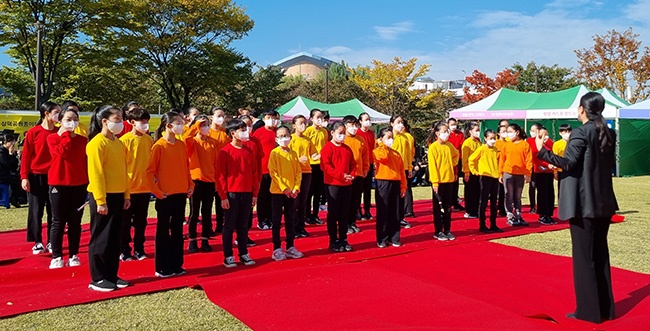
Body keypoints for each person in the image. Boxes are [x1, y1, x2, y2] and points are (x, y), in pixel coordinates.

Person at [536, 92, 617, 324]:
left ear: (582, 109)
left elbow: (568, 162)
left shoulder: (582, 132)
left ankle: (588, 312)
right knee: (600, 254)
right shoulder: (608, 131)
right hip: (603, 200)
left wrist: (543, 150)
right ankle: (605, 309)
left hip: (583, 202)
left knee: (584, 258)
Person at [86, 105, 131, 292]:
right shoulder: (97, 143)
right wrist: (100, 200)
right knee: (100, 238)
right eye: (117, 119)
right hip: (102, 196)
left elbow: (124, 171)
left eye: (121, 118)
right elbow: (95, 173)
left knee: (114, 238)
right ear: (104, 121)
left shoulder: (118, 143)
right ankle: (97, 277)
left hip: (118, 194)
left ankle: (111, 274)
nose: (121, 122)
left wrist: (126, 195)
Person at [148, 111, 194, 277]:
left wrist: (190, 185)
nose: (181, 126)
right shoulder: (159, 146)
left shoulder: (181, 145)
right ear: (168, 125)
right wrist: (157, 192)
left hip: (181, 194)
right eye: (179, 123)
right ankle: (162, 267)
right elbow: (149, 172)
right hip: (165, 195)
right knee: (163, 232)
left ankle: (176, 264)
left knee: (177, 231)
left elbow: (186, 168)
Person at [46, 107, 88, 269]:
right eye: (68, 119)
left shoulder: (82, 140)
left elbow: (85, 162)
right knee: (58, 221)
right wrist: (65, 135)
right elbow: (61, 153)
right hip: (58, 184)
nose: (72, 122)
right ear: (60, 121)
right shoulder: (52, 138)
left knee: (75, 222)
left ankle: (73, 255)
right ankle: (56, 256)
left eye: (75, 119)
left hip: (79, 184)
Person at [218, 119, 259, 267]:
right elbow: (220, 176)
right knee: (229, 225)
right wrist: (223, 196)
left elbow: (254, 174)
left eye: (245, 129)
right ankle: (228, 255)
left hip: (247, 193)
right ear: (233, 133)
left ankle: (243, 253)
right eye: (241, 129)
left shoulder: (249, 151)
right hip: (231, 194)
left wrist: (254, 194)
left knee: (243, 225)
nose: (245, 132)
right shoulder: (225, 152)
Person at [22, 101, 60, 255]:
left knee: (54, 210)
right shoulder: (33, 132)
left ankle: (52, 241)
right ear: (47, 113)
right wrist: (24, 177)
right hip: (36, 175)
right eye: (56, 112)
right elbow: (25, 156)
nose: (59, 115)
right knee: (36, 210)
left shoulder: (59, 132)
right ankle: (37, 241)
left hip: (54, 176)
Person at [119, 107, 153, 261]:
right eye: (142, 121)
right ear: (132, 122)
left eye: (147, 121)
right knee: (125, 223)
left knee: (141, 221)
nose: (145, 124)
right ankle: (124, 250)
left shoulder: (148, 140)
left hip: (144, 188)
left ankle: (139, 249)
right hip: (129, 189)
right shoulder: (124, 140)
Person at [184, 115, 219, 254]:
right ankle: (192, 239)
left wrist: (216, 180)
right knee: (194, 212)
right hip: (196, 181)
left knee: (207, 212)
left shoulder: (213, 142)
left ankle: (205, 238)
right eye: (202, 125)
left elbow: (216, 163)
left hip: (210, 181)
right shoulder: (192, 142)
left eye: (206, 124)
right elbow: (186, 138)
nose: (205, 127)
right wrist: (195, 125)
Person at [268, 126, 304, 261]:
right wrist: (284, 188)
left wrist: (295, 188)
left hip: (292, 192)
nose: (284, 139)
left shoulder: (293, 154)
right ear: (276, 139)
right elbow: (274, 173)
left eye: (286, 135)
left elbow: (298, 172)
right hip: (278, 191)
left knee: (291, 219)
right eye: (281, 136)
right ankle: (277, 248)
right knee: (276, 220)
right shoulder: (274, 153)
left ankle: (290, 246)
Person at [320, 121, 356, 252]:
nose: (342, 136)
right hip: (333, 184)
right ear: (332, 133)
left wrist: (351, 175)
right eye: (339, 133)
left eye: (343, 133)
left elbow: (353, 164)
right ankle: (333, 240)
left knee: (344, 213)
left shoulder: (347, 149)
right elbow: (326, 166)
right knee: (333, 213)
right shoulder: (327, 148)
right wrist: (341, 175)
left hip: (347, 184)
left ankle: (343, 238)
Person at [373, 127, 407, 247]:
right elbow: (383, 157)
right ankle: (382, 238)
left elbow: (402, 171)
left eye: (391, 137)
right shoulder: (377, 151)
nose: (391, 140)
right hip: (383, 183)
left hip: (395, 183)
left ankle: (394, 237)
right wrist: (382, 145)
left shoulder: (397, 154)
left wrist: (403, 186)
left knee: (395, 211)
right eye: (388, 138)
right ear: (381, 139)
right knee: (383, 211)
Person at [427, 121, 459, 241]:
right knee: (438, 207)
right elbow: (433, 167)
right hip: (438, 182)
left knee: (447, 207)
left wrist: (452, 164)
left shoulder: (449, 146)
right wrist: (435, 182)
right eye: (443, 132)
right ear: (437, 133)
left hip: (449, 180)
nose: (446, 134)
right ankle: (438, 231)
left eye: (447, 132)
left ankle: (447, 229)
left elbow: (456, 155)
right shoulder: (433, 148)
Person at [468, 129, 503, 234]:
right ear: (485, 139)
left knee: (494, 202)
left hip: (494, 177)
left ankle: (493, 224)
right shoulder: (481, 149)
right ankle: (482, 225)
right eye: (490, 138)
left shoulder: (496, 150)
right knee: (483, 202)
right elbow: (471, 159)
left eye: (494, 138)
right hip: (485, 176)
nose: (493, 140)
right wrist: (475, 171)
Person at [288, 115, 317, 238]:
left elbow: (314, 153)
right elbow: (286, 156)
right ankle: (292, 227)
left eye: (304, 123)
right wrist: (297, 159)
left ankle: (301, 226)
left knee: (303, 201)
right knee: (294, 200)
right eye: (300, 123)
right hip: (294, 173)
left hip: (306, 171)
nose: (303, 126)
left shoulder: (307, 140)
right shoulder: (291, 139)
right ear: (294, 125)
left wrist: (318, 156)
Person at [499, 123, 532, 227]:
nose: (508, 134)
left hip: (520, 174)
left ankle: (518, 214)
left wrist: (528, 173)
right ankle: (509, 215)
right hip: (508, 172)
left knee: (517, 196)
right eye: (507, 132)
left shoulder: (525, 145)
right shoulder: (506, 145)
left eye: (510, 132)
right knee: (508, 194)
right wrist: (500, 173)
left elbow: (529, 160)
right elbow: (502, 160)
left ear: (517, 132)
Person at [252, 109, 280, 230]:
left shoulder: (278, 132)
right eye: (269, 117)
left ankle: (270, 219)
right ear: (264, 119)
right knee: (262, 196)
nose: (272, 120)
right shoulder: (258, 132)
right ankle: (261, 220)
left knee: (272, 196)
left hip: (276, 170)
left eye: (274, 118)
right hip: (263, 169)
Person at [342, 115, 369, 234]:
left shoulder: (360, 139)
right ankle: (344, 224)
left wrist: (366, 168)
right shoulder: (342, 139)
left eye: (355, 125)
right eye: (351, 125)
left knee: (355, 200)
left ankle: (352, 222)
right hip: (346, 175)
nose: (354, 128)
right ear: (345, 126)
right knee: (345, 200)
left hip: (359, 173)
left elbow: (365, 155)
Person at [209, 107, 231, 235]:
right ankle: (207, 226)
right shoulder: (206, 133)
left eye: (223, 115)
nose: (221, 118)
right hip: (207, 172)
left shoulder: (225, 134)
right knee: (206, 203)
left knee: (221, 199)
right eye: (218, 115)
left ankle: (220, 224)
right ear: (212, 117)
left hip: (222, 172)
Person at [390, 115, 414, 228]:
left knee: (402, 194)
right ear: (391, 124)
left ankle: (401, 217)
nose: (401, 125)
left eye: (402, 122)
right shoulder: (389, 138)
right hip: (392, 170)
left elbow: (409, 154)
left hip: (403, 169)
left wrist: (410, 168)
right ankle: (392, 218)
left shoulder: (405, 138)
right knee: (392, 195)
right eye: (398, 122)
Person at [304, 109, 327, 225]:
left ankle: (315, 215)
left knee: (318, 192)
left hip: (321, 165)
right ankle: (306, 215)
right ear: (311, 119)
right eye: (317, 117)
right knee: (309, 192)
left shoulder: (324, 131)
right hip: (311, 164)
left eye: (321, 117)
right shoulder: (308, 131)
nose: (320, 119)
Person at [530, 125, 556, 225]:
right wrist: (546, 164)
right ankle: (542, 215)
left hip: (549, 172)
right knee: (542, 194)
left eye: (546, 135)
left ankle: (549, 214)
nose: (544, 137)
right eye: (542, 135)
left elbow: (553, 154)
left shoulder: (550, 143)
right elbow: (534, 157)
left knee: (550, 193)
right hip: (539, 171)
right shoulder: (532, 142)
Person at [357, 112, 376, 220]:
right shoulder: (358, 133)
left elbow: (373, 149)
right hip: (359, 164)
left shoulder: (371, 134)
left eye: (369, 119)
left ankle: (367, 210)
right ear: (360, 121)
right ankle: (358, 209)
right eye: (365, 119)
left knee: (368, 189)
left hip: (370, 163)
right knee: (359, 189)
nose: (368, 121)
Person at [461, 122, 482, 219]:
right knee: (470, 192)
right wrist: (466, 172)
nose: (478, 132)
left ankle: (476, 210)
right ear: (470, 131)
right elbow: (465, 159)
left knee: (477, 192)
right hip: (469, 171)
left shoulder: (479, 142)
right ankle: (469, 211)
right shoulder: (467, 143)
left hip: (479, 171)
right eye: (476, 130)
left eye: (478, 130)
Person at [447, 117, 465, 211]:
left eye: (455, 124)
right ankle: (448, 203)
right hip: (448, 160)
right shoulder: (446, 134)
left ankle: (455, 202)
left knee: (456, 181)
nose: (454, 126)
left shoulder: (460, 134)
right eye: (452, 124)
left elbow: (462, 146)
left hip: (457, 159)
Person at [0, 133, 22, 208]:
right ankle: (12, 198)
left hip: (6, 174)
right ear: (5, 142)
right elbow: (6, 164)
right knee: (16, 180)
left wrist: (15, 156)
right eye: (11, 142)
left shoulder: (8, 152)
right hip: (2, 175)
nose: (13, 144)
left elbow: (13, 167)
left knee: (18, 178)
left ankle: (15, 198)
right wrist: (10, 154)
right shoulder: (1, 152)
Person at [552, 124, 572, 199]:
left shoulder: (573, 143)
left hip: (571, 169)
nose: (567, 134)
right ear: (560, 133)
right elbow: (554, 159)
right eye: (564, 132)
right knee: (561, 188)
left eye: (569, 131)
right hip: (561, 170)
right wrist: (555, 172)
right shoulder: (557, 144)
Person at [526, 123, 541, 214]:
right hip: (531, 167)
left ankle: (540, 206)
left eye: (534, 131)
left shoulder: (543, 140)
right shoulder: (528, 141)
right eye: (531, 131)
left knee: (540, 188)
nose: (532, 132)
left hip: (541, 168)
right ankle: (532, 206)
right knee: (532, 187)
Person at [495, 125, 509, 216]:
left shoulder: (508, 143)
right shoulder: (496, 143)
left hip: (507, 169)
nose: (505, 133)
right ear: (499, 133)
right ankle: (500, 208)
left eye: (506, 131)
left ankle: (505, 208)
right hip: (497, 169)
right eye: (503, 131)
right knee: (499, 191)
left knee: (506, 191)